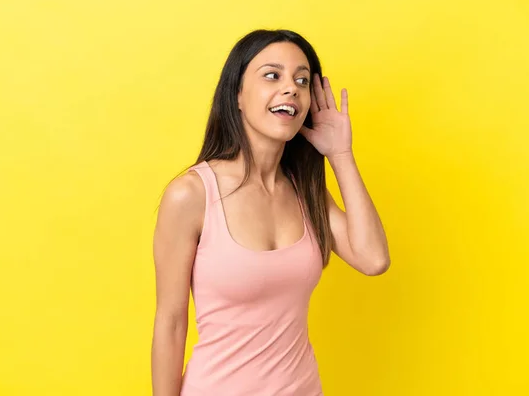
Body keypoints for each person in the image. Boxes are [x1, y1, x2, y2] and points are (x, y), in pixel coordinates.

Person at [151, 29, 390, 396]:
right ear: (238, 96)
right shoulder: (191, 195)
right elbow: (170, 322)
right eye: (272, 75)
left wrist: (340, 155)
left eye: (302, 80)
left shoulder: (305, 192)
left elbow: (373, 259)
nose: (291, 88)